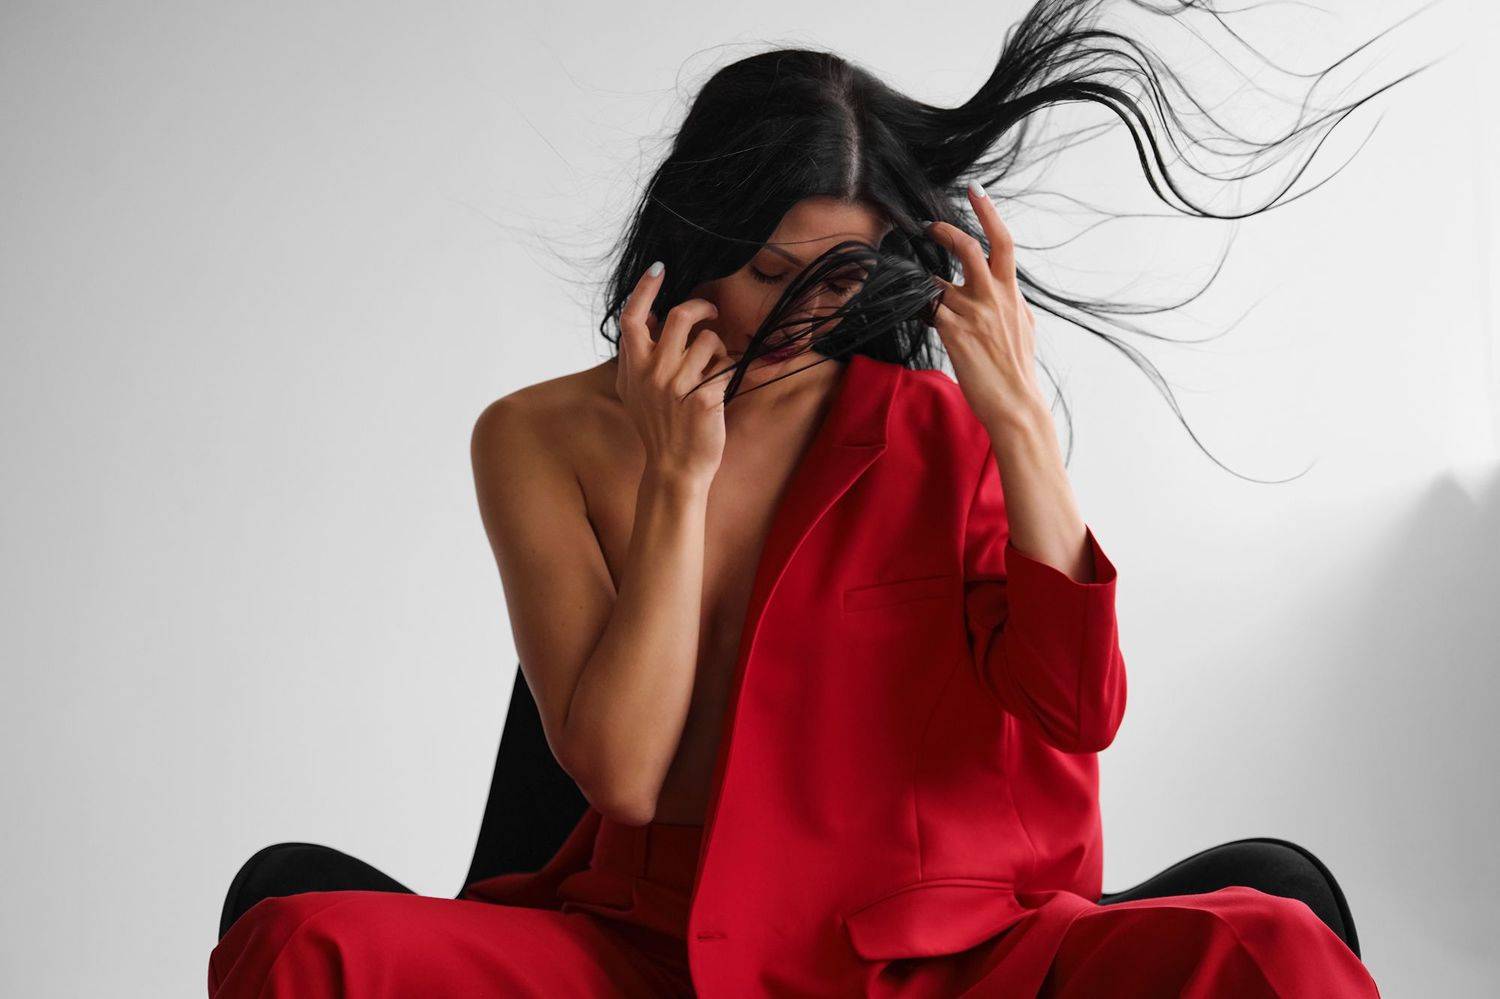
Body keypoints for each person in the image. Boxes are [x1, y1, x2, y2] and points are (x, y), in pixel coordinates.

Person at [210, 1, 1433, 994]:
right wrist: (679, 478)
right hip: (653, 948)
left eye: (843, 276)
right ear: (692, 234)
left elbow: (1078, 707)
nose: (803, 314)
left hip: (947, 959)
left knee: (1271, 950)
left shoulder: (933, 428)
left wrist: (1018, 419)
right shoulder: (538, 438)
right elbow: (623, 777)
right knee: (302, 947)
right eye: (768, 270)